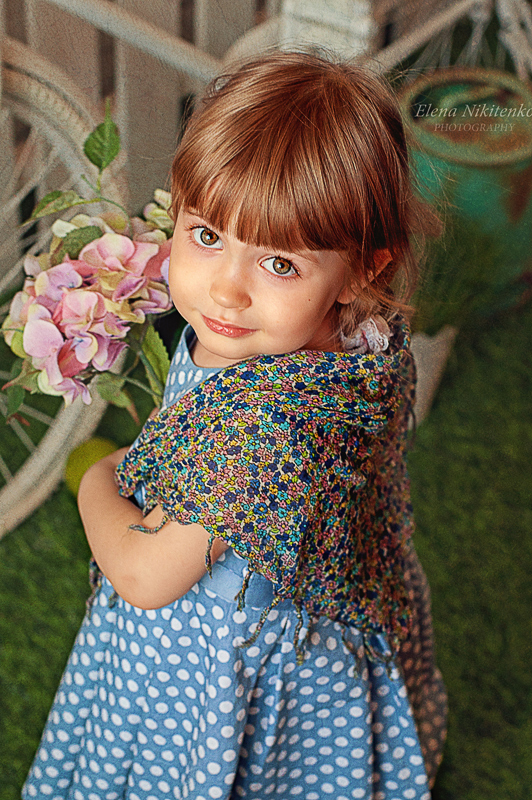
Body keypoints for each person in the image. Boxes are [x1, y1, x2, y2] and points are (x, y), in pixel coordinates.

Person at [23, 51, 447, 800]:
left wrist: (97, 478)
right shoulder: (355, 342)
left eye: (279, 263)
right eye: (207, 235)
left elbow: (143, 576)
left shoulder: (270, 427)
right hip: (312, 614)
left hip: (218, 660)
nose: (226, 289)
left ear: (361, 270)